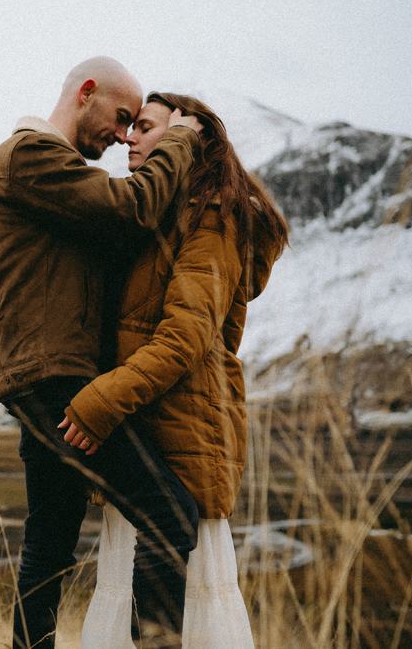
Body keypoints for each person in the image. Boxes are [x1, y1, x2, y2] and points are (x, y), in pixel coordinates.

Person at [0, 57, 204, 648]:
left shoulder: (59, 178)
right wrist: (178, 139)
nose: (124, 135)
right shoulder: (30, 156)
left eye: (136, 126)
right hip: (56, 381)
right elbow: (133, 209)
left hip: (46, 377)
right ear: (86, 92)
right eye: (122, 117)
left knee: (51, 536)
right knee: (171, 514)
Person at [62, 92, 290, 647]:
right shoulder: (157, 216)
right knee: (136, 613)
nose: (128, 139)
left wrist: (99, 402)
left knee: (181, 621)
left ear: (189, 137)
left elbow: (185, 336)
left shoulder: (213, 217)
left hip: (183, 441)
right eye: (129, 127)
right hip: (145, 434)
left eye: (144, 127)